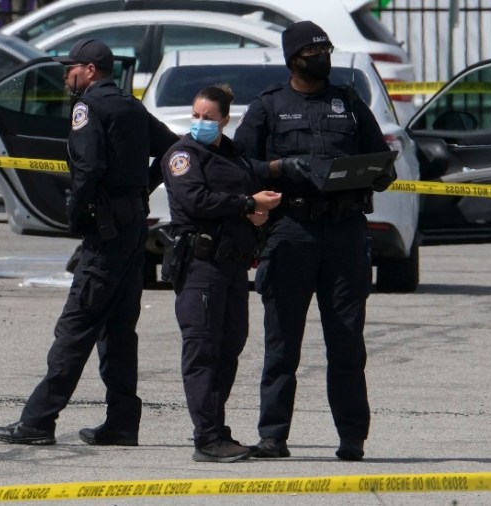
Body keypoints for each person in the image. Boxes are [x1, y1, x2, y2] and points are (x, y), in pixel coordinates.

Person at [0, 38, 178, 447]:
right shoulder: (130, 104)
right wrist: (141, 191)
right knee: (119, 330)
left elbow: (88, 166)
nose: (65, 76)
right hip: (131, 233)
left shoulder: (87, 107)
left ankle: (38, 422)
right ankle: (122, 423)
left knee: (76, 326)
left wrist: (75, 215)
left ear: (90, 70)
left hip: (105, 235)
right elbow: (173, 150)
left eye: (70, 68)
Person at [233, 21, 397, 461]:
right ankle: (273, 436)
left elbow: (381, 159)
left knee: (346, 341)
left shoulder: (347, 101)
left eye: (325, 48)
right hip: (291, 232)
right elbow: (240, 165)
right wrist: (280, 169)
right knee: (282, 342)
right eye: (313, 50)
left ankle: (352, 438)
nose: (322, 56)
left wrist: (378, 172)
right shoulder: (269, 106)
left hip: (344, 233)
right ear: (294, 58)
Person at [160, 85, 281, 463]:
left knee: (230, 346)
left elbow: (252, 190)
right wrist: (247, 204)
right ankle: (206, 437)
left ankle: (216, 428)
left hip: (232, 266)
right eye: (196, 116)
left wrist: (259, 214)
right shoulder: (183, 154)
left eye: (208, 118)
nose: (200, 123)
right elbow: (195, 200)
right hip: (201, 265)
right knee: (202, 350)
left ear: (225, 121)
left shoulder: (233, 154)